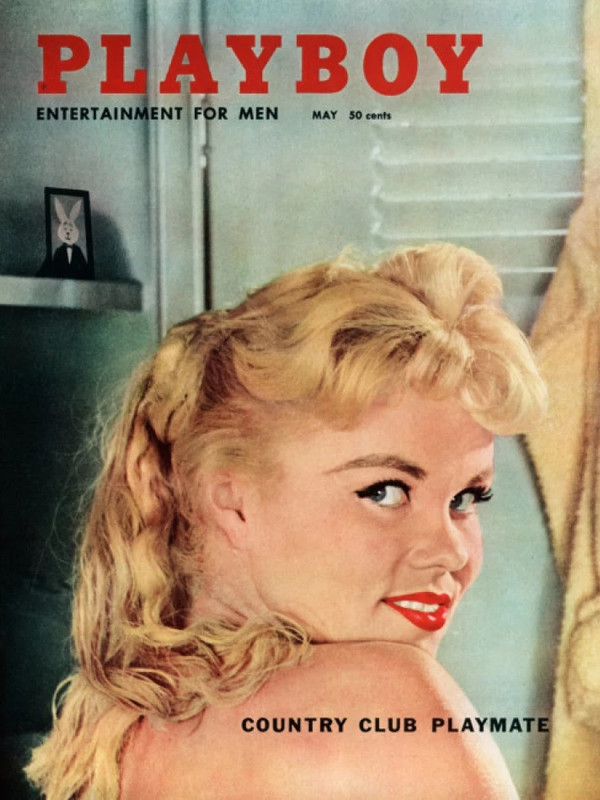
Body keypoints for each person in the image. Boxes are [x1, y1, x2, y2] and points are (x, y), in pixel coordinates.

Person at [26, 244, 546, 799]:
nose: (452, 551)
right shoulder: (387, 711)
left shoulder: (120, 736)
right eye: (385, 491)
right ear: (231, 501)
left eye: (467, 498)